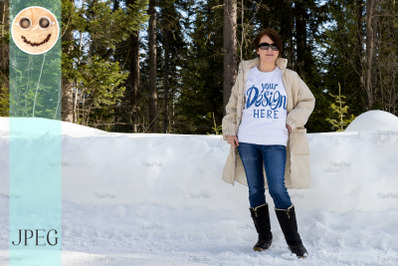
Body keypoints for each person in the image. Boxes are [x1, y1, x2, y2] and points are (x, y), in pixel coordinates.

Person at [221, 28, 315, 258]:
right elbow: (233, 107)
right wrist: (231, 131)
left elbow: (307, 100)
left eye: (274, 46)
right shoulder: (246, 75)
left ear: (278, 50)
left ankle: (295, 243)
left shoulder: (288, 76)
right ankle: (264, 238)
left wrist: (292, 121)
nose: (269, 50)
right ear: (257, 49)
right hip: (248, 141)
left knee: (277, 188)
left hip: (275, 141)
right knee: (254, 190)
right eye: (264, 46)